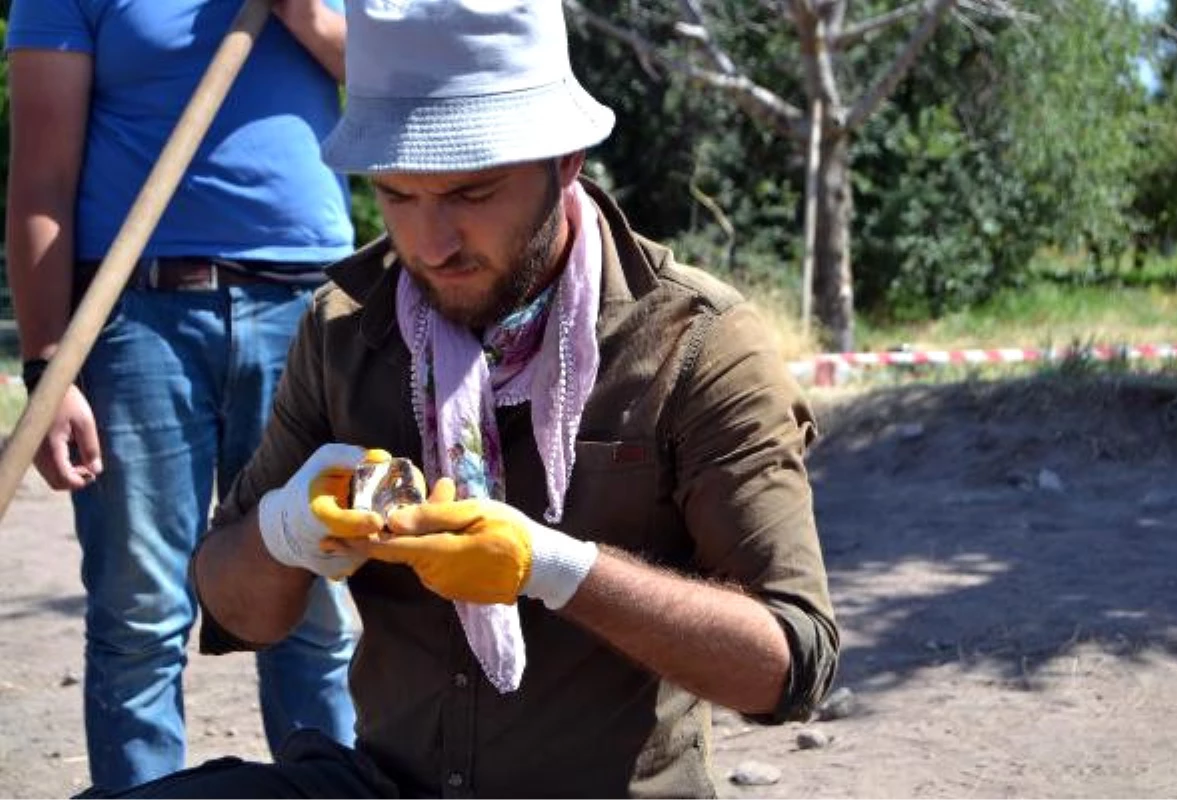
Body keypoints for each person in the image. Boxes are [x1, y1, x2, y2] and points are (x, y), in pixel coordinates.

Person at [71, 0, 840, 797]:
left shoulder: (695, 344)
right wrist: (286, 528)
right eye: (398, 195)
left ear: (567, 159)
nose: (430, 245)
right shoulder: (344, 329)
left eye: (471, 194)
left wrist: (555, 568)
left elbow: (789, 665)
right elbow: (240, 612)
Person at [4, 0, 360, 791]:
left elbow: (410, 93)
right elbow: (40, 177)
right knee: (139, 618)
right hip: (136, 320)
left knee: (316, 602)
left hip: (307, 314)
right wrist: (47, 363)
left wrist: (304, 14)